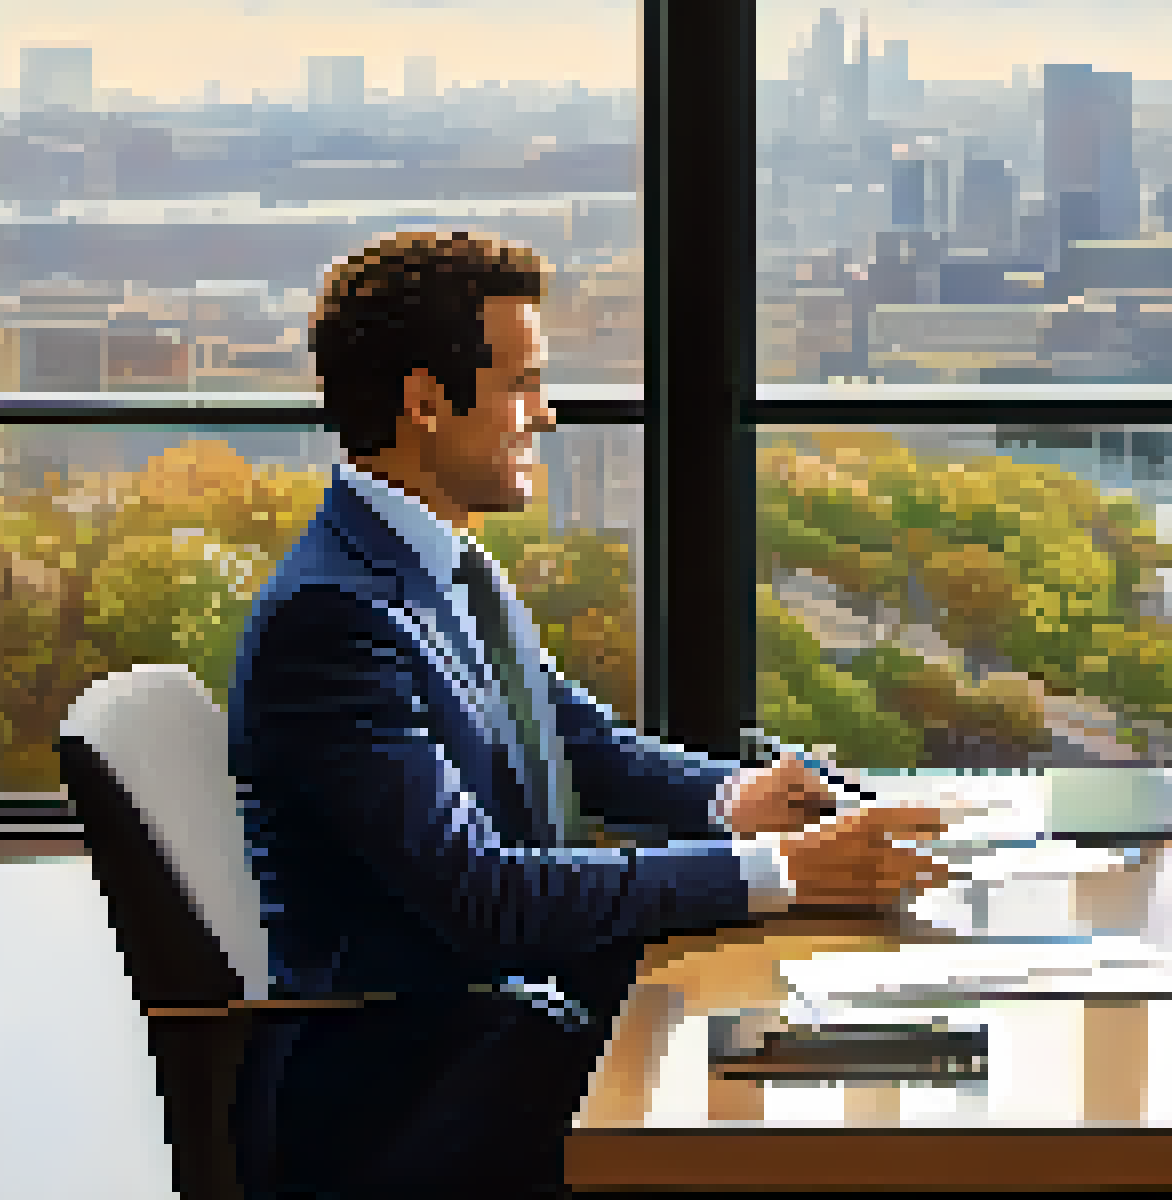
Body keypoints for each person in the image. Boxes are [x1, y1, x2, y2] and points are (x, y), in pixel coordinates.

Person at [226, 230, 948, 1198]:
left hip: (499, 1038)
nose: (547, 415)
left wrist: (736, 799)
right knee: (832, 1126)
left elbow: (577, 743)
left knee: (857, 1065)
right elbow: (483, 898)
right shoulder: (335, 620)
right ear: (426, 402)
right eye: (522, 384)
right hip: (412, 1099)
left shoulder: (437, 566)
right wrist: (778, 873)